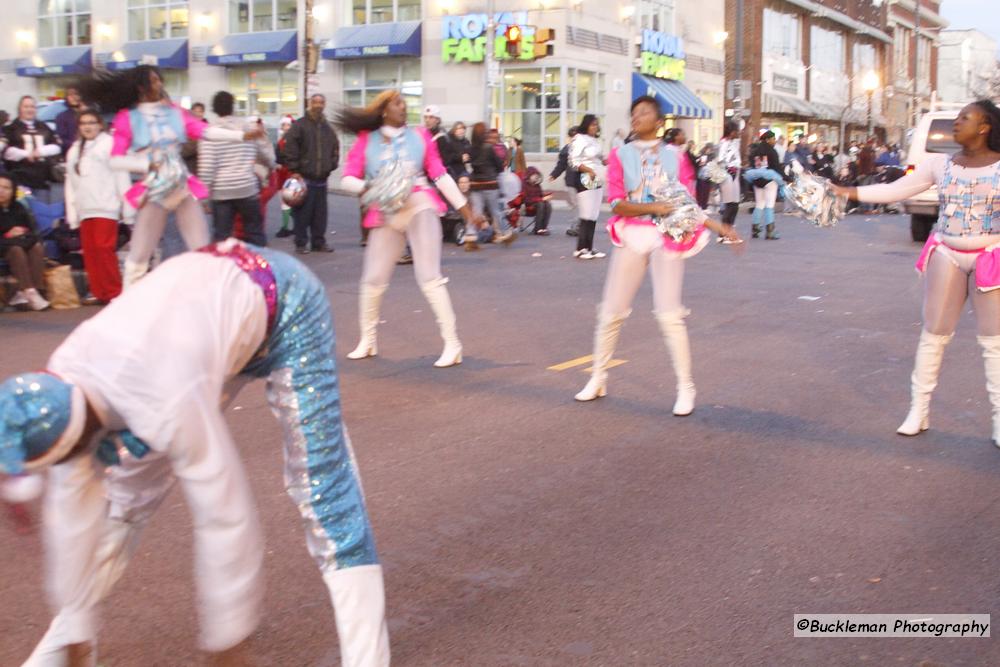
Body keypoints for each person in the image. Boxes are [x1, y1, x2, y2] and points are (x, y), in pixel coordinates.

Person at [1, 239, 389, 667]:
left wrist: (227, 638)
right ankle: (59, 647)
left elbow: (223, 509)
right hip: (199, 326)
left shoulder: (164, 395)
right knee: (124, 497)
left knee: (323, 489)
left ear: (74, 436)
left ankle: (368, 658)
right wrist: (76, 630)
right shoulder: (63, 376)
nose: (70, 466)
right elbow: (71, 504)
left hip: (286, 305)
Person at [831, 100, 1000, 446]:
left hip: (990, 257)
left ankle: (999, 420)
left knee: (994, 344)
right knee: (933, 335)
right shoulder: (940, 163)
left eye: (965, 118)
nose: (956, 122)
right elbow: (897, 190)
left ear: (985, 127)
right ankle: (918, 411)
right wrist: (848, 191)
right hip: (947, 253)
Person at [574, 96, 741, 411]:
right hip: (633, 233)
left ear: (659, 121)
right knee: (611, 311)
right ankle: (598, 377)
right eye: (634, 113)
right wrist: (651, 207)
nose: (637, 117)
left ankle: (685, 388)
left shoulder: (675, 157)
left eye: (645, 112)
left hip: (668, 236)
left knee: (669, 314)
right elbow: (617, 203)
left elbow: (686, 203)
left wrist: (719, 227)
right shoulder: (620, 154)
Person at [76, 66, 265, 288]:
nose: (160, 85)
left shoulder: (174, 112)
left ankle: (209, 298)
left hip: (180, 185)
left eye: (159, 80)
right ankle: (128, 305)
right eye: (155, 81)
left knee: (202, 248)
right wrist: (147, 164)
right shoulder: (127, 118)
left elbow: (204, 131)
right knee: (139, 256)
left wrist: (242, 135)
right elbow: (115, 160)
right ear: (141, 87)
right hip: (155, 190)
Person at [337, 90, 481, 367]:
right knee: (373, 279)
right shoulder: (367, 141)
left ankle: (453, 344)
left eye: (404, 102)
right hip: (386, 211)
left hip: (419, 204)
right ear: (383, 111)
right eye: (397, 103)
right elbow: (347, 179)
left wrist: (466, 211)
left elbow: (439, 173)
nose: (403, 107)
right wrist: (369, 187)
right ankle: (368, 340)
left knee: (429, 276)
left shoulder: (420, 137)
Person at [64, 110, 135, 304]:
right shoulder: (74, 149)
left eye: (92, 122)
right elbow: (70, 183)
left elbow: (121, 176)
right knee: (91, 252)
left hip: (106, 206)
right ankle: (100, 291)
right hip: (85, 208)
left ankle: (114, 292)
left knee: (104, 250)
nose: (87, 126)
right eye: (83, 123)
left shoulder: (109, 144)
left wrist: (128, 208)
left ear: (100, 124)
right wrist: (72, 213)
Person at [199, 91, 274, 247]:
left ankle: (223, 268)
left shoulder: (209, 132)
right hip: (247, 188)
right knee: (255, 232)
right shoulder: (245, 128)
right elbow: (262, 153)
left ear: (214, 108)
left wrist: (204, 197)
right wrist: (271, 165)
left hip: (222, 192)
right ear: (233, 107)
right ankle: (260, 266)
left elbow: (206, 168)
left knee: (222, 236)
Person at [283, 94, 340, 254]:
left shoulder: (328, 128)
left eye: (321, 102)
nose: (318, 105)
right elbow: (289, 148)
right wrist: (294, 170)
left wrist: (331, 165)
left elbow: (335, 148)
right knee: (302, 214)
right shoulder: (300, 125)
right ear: (310, 104)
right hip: (304, 178)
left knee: (320, 215)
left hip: (322, 178)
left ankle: (318, 242)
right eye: (315, 102)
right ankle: (301, 243)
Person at [0, 173, 49, 310]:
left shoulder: (19, 208)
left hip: (20, 243)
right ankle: (30, 292)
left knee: (36, 247)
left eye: (6, 188)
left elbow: (33, 231)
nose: (2, 191)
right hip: (4, 246)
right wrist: (8, 235)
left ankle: (29, 291)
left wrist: (23, 234)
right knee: (16, 250)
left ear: (13, 190)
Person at [2, 96, 61, 202]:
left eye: (32, 106)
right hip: (19, 180)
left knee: (41, 213)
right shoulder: (10, 128)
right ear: (19, 108)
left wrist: (41, 152)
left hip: (42, 180)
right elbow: (5, 151)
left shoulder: (45, 127)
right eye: (26, 106)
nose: (29, 109)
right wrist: (26, 154)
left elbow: (57, 146)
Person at [570, 114, 607, 260]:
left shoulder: (594, 140)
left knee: (593, 214)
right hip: (586, 177)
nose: (595, 127)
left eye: (596, 124)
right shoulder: (579, 139)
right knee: (586, 214)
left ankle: (589, 247)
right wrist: (589, 170)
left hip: (597, 176)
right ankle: (580, 248)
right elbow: (574, 161)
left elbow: (602, 158)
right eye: (592, 124)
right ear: (586, 125)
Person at [468, 122, 513, 245]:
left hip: (475, 183)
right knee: (495, 210)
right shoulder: (488, 148)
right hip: (490, 182)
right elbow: (499, 165)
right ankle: (505, 232)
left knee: (476, 211)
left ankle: (470, 234)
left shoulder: (471, 149)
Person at [747, 131, 784, 240]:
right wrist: (786, 178)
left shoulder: (754, 151)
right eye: (773, 139)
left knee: (759, 204)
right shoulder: (772, 151)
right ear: (767, 139)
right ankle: (770, 231)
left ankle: (755, 229)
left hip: (756, 179)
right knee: (769, 205)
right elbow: (777, 168)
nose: (774, 141)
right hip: (770, 180)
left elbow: (752, 165)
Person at [716, 121, 742, 241]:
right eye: (737, 131)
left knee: (735, 204)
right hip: (728, 174)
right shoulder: (724, 143)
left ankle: (728, 231)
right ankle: (723, 234)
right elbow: (721, 160)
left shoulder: (734, 142)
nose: (739, 133)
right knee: (730, 205)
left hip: (734, 173)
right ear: (732, 132)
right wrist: (728, 169)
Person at [549, 127, 580, 228]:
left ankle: (583, 224)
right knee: (575, 203)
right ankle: (576, 225)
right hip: (571, 180)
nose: (574, 138)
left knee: (584, 204)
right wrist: (554, 175)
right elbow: (561, 165)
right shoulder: (566, 150)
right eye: (572, 136)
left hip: (584, 180)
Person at [509, 166, 552, 235]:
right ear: (529, 175)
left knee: (547, 204)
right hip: (527, 206)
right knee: (540, 204)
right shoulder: (524, 185)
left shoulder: (537, 185)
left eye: (537, 176)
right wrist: (540, 199)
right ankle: (538, 229)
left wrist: (546, 196)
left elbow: (540, 195)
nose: (536, 177)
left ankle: (544, 227)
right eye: (534, 175)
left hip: (537, 204)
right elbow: (526, 199)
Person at [274, 114, 296, 238]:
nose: (286, 127)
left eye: (288, 125)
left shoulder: (290, 140)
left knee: (287, 199)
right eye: (284, 125)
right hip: (282, 172)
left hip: (288, 172)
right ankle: (291, 225)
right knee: (285, 200)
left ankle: (286, 226)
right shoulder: (281, 139)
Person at [664, 127, 697, 197]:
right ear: (676, 137)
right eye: (682, 134)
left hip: (687, 183)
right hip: (677, 185)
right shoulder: (669, 149)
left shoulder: (680, 149)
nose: (685, 137)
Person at [180, 101, 208, 177]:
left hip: (204, 169)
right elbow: (182, 151)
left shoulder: (208, 129)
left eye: (200, 111)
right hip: (190, 169)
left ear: (203, 113)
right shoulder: (185, 129)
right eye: (195, 111)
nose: (197, 114)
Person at [54, 86, 83, 152]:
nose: (74, 97)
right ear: (66, 97)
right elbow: (62, 139)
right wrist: (77, 146)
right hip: (71, 152)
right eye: (70, 95)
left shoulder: (88, 114)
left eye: (76, 94)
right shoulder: (62, 117)